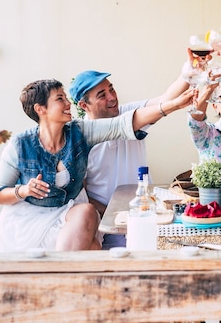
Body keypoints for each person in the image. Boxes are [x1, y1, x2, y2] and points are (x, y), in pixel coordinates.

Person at [0, 78, 193, 252]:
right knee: (95, 250)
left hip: (68, 213)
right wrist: (25, 190)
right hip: (28, 221)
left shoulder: (80, 131)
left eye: (66, 97)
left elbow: (122, 124)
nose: (68, 103)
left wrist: (173, 106)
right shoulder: (19, 145)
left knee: (86, 211)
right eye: (60, 99)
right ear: (40, 109)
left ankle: (60, 274)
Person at [69, 69, 192, 249]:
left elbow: (164, 100)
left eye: (112, 89)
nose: (112, 97)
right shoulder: (80, 138)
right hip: (111, 226)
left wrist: (190, 71)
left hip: (149, 214)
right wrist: (115, 214)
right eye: (102, 95)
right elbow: (83, 195)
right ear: (83, 105)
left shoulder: (127, 113)